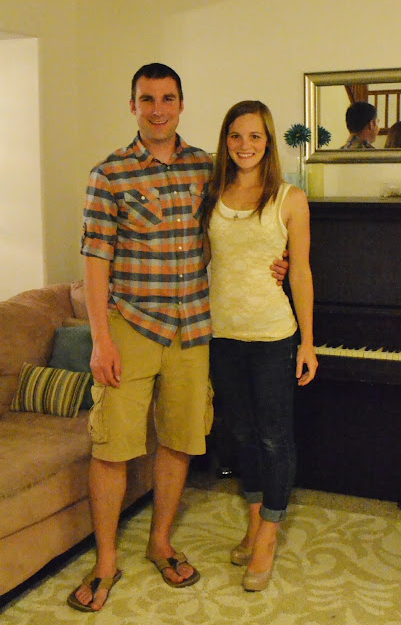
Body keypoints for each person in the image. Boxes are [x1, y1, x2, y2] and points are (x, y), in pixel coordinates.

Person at [67, 64, 288, 612]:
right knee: (112, 447)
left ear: (182, 104)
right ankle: (106, 560)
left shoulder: (207, 169)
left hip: (193, 328)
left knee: (180, 440)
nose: (158, 109)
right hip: (132, 326)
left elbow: (241, 226)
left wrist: (274, 261)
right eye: (148, 99)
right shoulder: (108, 174)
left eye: (168, 98)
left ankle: (160, 542)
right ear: (133, 105)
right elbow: (95, 263)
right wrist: (100, 340)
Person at [203, 100, 318, 592]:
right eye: (235, 135)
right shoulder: (212, 192)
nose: (244, 145)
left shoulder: (290, 198)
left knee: (274, 437)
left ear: (268, 141)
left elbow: (302, 272)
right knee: (242, 435)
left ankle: (269, 535)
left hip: (273, 336)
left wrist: (308, 342)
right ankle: (253, 522)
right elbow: (205, 259)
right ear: (225, 141)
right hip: (222, 336)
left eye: (254, 136)